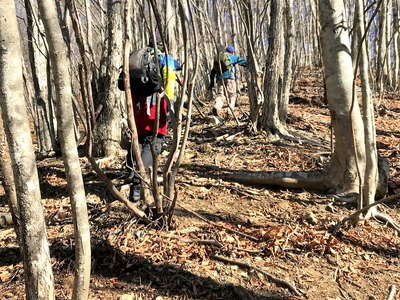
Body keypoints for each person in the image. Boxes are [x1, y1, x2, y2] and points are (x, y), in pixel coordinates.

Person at [118, 40, 181, 201]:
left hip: (137, 108)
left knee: (138, 141)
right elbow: (171, 76)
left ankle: (132, 172)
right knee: (154, 143)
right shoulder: (163, 58)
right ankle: (137, 184)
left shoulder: (135, 58)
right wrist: (169, 105)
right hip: (155, 107)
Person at [209, 46, 247, 118]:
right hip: (230, 78)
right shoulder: (232, 57)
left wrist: (211, 83)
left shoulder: (219, 58)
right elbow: (242, 61)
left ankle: (217, 106)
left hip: (219, 79)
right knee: (232, 95)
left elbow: (212, 72)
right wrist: (249, 64)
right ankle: (230, 111)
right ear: (232, 52)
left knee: (220, 95)